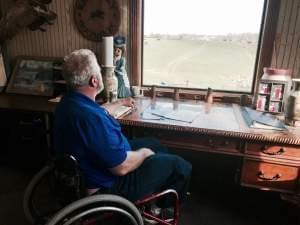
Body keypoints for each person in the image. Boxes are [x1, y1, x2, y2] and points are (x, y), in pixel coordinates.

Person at [54, 49, 192, 205]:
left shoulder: (69, 102)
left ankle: (156, 191)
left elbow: (99, 112)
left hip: (92, 168)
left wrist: (119, 102)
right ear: (94, 80)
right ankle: (162, 208)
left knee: (155, 144)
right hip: (108, 186)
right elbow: (121, 167)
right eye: (99, 69)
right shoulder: (90, 119)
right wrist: (143, 154)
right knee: (181, 166)